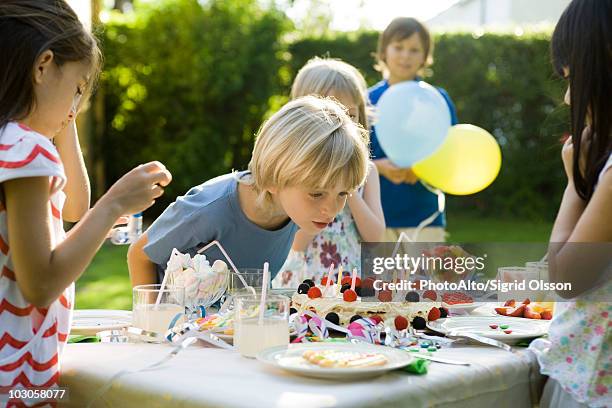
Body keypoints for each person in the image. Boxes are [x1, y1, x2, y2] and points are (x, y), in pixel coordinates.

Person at [0, 0, 171, 396]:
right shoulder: (26, 151)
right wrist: (115, 204)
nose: (76, 107)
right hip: (16, 380)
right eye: (77, 88)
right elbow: (40, 284)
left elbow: (74, 208)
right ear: (42, 66)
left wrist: (62, 114)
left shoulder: (13, 143)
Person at [128, 95, 371, 287]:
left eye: (343, 194)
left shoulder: (298, 213)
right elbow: (140, 255)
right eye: (317, 193)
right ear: (274, 177)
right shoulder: (209, 209)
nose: (331, 209)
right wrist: (153, 324)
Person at [528, 1, 611, 407]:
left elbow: (566, 278)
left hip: (593, 383)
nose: (566, 97)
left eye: (573, 77)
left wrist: (575, 186)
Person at [273, 57, 385, 287]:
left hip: (349, 282)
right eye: (331, 115)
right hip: (305, 280)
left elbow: (375, 237)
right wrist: (323, 194)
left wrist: (347, 188)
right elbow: (295, 244)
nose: (343, 125)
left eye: (351, 115)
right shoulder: (296, 172)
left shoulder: (368, 171)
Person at [369, 17, 458, 243]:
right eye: (398, 47)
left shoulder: (437, 100)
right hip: (376, 215)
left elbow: (451, 152)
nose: (405, 56)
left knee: (425, 278)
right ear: (384, 51)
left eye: (414, 50)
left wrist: (422, 169)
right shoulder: (365, 100)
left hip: (424, 217)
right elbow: (351, 155)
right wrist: (379, 168)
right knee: (376, 279)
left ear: (424, 56)